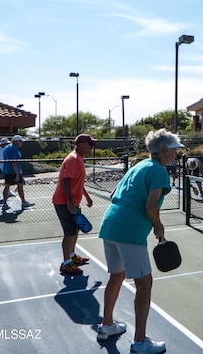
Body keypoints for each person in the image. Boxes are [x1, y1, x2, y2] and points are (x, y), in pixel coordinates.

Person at [97, 129, 182, 353]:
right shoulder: (159, 171)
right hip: (129, 231)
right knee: (144, 284)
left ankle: (106, 326)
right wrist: (158, 225)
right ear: (165, 151)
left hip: (110, 224)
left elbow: (115, 192)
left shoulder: (138, 166)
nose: (177, 153)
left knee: (116, 276)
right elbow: (150, 205)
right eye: (175, 149)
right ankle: (140, 342)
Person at [52, 134, 96, 275]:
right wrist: (70, 202)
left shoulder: (79, 159)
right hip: (64, 203)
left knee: (75, 230)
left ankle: (72, 257)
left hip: (72, 203)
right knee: (69, 233)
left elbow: (78, 183)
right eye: (90, 144)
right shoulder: (74, 159)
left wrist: (87, 197)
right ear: (81, 144)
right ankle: (66, 264)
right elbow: (66, 181)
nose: (92, 147)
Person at [1, 135, 34, 212]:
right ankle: (22, 202)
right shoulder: (13, 149)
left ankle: (6, 203)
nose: (22, 143)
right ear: (16, 142)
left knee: (10, 186)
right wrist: (17, 174)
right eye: (20, 141)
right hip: (12, 171)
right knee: (18, 186)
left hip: (8, 171)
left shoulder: (8, 147)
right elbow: (14, 162)